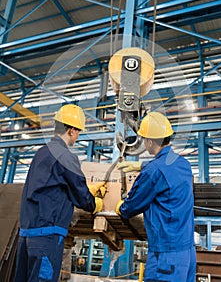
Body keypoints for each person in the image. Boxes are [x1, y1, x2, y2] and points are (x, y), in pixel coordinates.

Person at [14, 104, 106, 282]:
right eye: (78, 131)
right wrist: (94, 203)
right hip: (46, 238)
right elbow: (81, 195)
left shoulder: (41, 153)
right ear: (71, 130)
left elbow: (53, 188)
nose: (78, 136)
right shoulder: (65, 156)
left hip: (26, 237)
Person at [116, 111, 196, 282]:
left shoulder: (153, 171)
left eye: (145, 139)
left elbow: (131, 207)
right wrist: (141, 166)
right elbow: (165, 170)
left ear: (150, 142)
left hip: (166, 258)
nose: (145, 143)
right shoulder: (184, 164)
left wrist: (121, 207)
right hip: (187, 253)